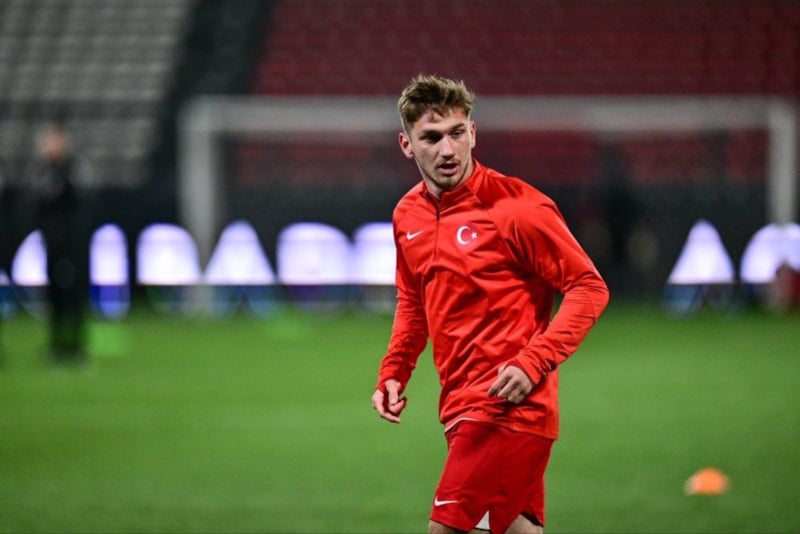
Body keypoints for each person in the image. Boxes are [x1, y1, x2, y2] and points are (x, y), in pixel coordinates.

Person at [371, 75, 610, 534]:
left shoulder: (517, 208)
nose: (448, 150)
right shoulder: (407, 215)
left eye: (457, 133)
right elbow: (414, 300)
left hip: (509, 408)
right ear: (406, 145)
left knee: (447, 530)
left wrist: (534, 361)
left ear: (473, 133)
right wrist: (395, 370)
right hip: (459, 406)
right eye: (432, 138)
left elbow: (588, 286)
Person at [33, 121, 90, 362]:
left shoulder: (71, 169)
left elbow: (78, 204)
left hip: (71, 245)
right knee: (54, 295)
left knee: (73, 294)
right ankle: (57, 343)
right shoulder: (44, 172)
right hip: (51, 244)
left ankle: (76, 344)